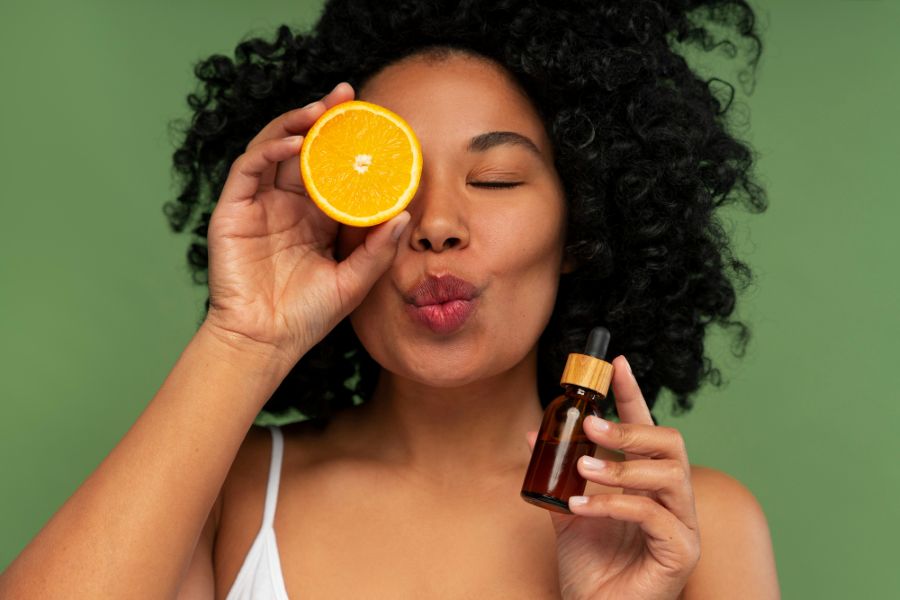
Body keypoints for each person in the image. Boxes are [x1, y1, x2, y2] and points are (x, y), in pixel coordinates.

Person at [0, 0, 780, 597]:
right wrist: (245, 338)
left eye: (496, 180)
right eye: (389, 187)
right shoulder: (227, 495)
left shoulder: (687, 529)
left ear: (583, 226)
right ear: (331, 223)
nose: (435, 225)